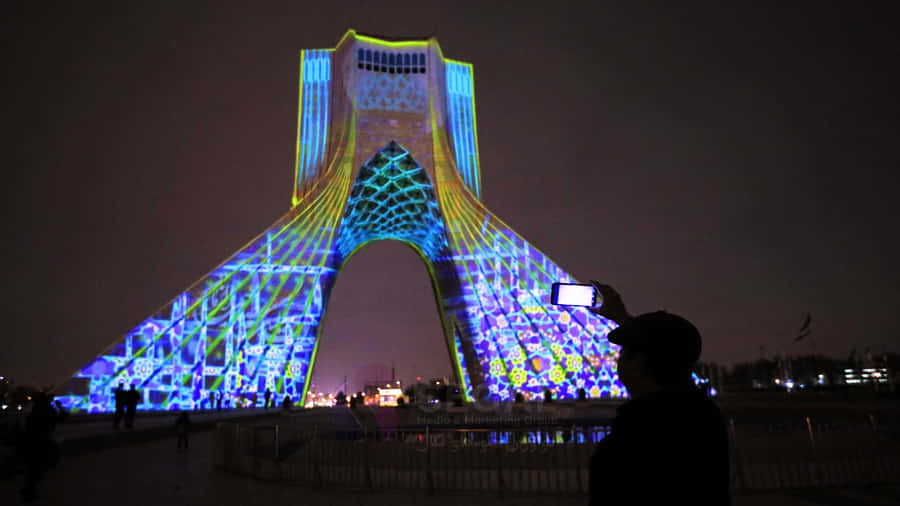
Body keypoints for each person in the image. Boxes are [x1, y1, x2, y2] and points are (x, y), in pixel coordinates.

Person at [587, 282, 729, 505]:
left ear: (639, 363)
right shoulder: (704, 415)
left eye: (624, 352)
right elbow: (662, 346)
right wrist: (622, 317)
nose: (618, 359)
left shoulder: (633, 437)